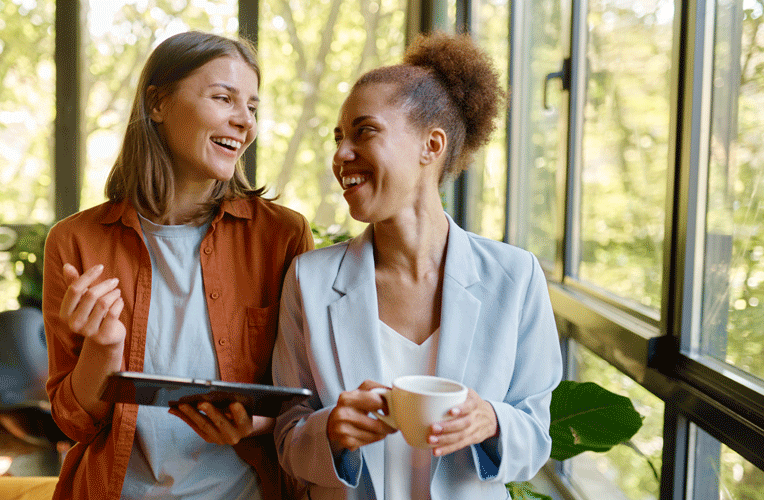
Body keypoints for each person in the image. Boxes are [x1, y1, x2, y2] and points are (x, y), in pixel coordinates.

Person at [272, 32, 562, 499]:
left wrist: (491, 421)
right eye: (339, 138)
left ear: (432, 145)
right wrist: (330, 432)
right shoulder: (310, 280)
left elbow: (535, 437)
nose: (341, 154)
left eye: (364, 131)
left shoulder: (515, 278)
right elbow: (288, 437)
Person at [42, 31, 313, 499]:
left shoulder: (282, 237)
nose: (243, 121)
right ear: (157, 104)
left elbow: (309, 397)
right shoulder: (74, 242)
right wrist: (103, 349)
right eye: (223, 98)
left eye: (251, 107)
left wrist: (255, 421)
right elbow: (73, 422)